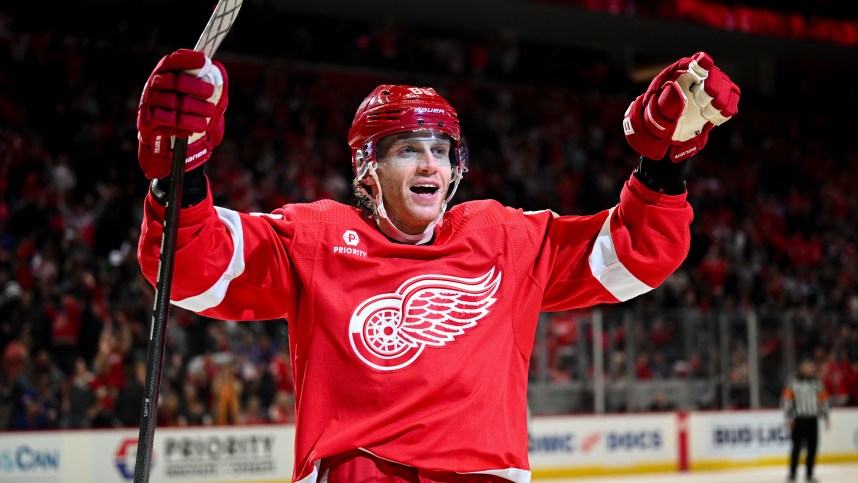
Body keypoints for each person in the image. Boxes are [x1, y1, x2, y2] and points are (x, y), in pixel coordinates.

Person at [135, 48, 739, 482]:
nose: (430, 165)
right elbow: (193, 272)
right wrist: (178, 179)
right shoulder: (316, 237)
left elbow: (634, 256)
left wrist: (665, 168)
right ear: (367, 167)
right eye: (407, 150)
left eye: (441, 150)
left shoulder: (503, 237)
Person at [782, 358, 831, 483]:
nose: (810, 369)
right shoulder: (792, 381)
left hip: (812, 419)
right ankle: (792, 474)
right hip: (799, 419)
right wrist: (789, 417)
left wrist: (826, 416)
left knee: (812, 447)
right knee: (796, 447)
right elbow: (786, 400)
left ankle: (809, 474)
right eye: (807, 367)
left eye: (811, 367)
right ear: (801, 368)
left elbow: (824, 399)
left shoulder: (817, 382)